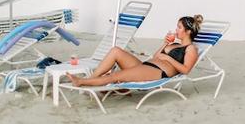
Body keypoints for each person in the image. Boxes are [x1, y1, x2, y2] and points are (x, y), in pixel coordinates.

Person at [67, 15, 203, 87]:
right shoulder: (174, 44)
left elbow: (186, 70)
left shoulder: (191, 49)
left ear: (188, 31)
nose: (176, 29)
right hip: (146, 65)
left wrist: (168, 58)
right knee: (116, 51)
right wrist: (165, 43)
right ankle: (92, 79)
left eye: (179, 27)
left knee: (116, 76)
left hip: (158, 72)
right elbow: (156, 56)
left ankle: (81, 82)